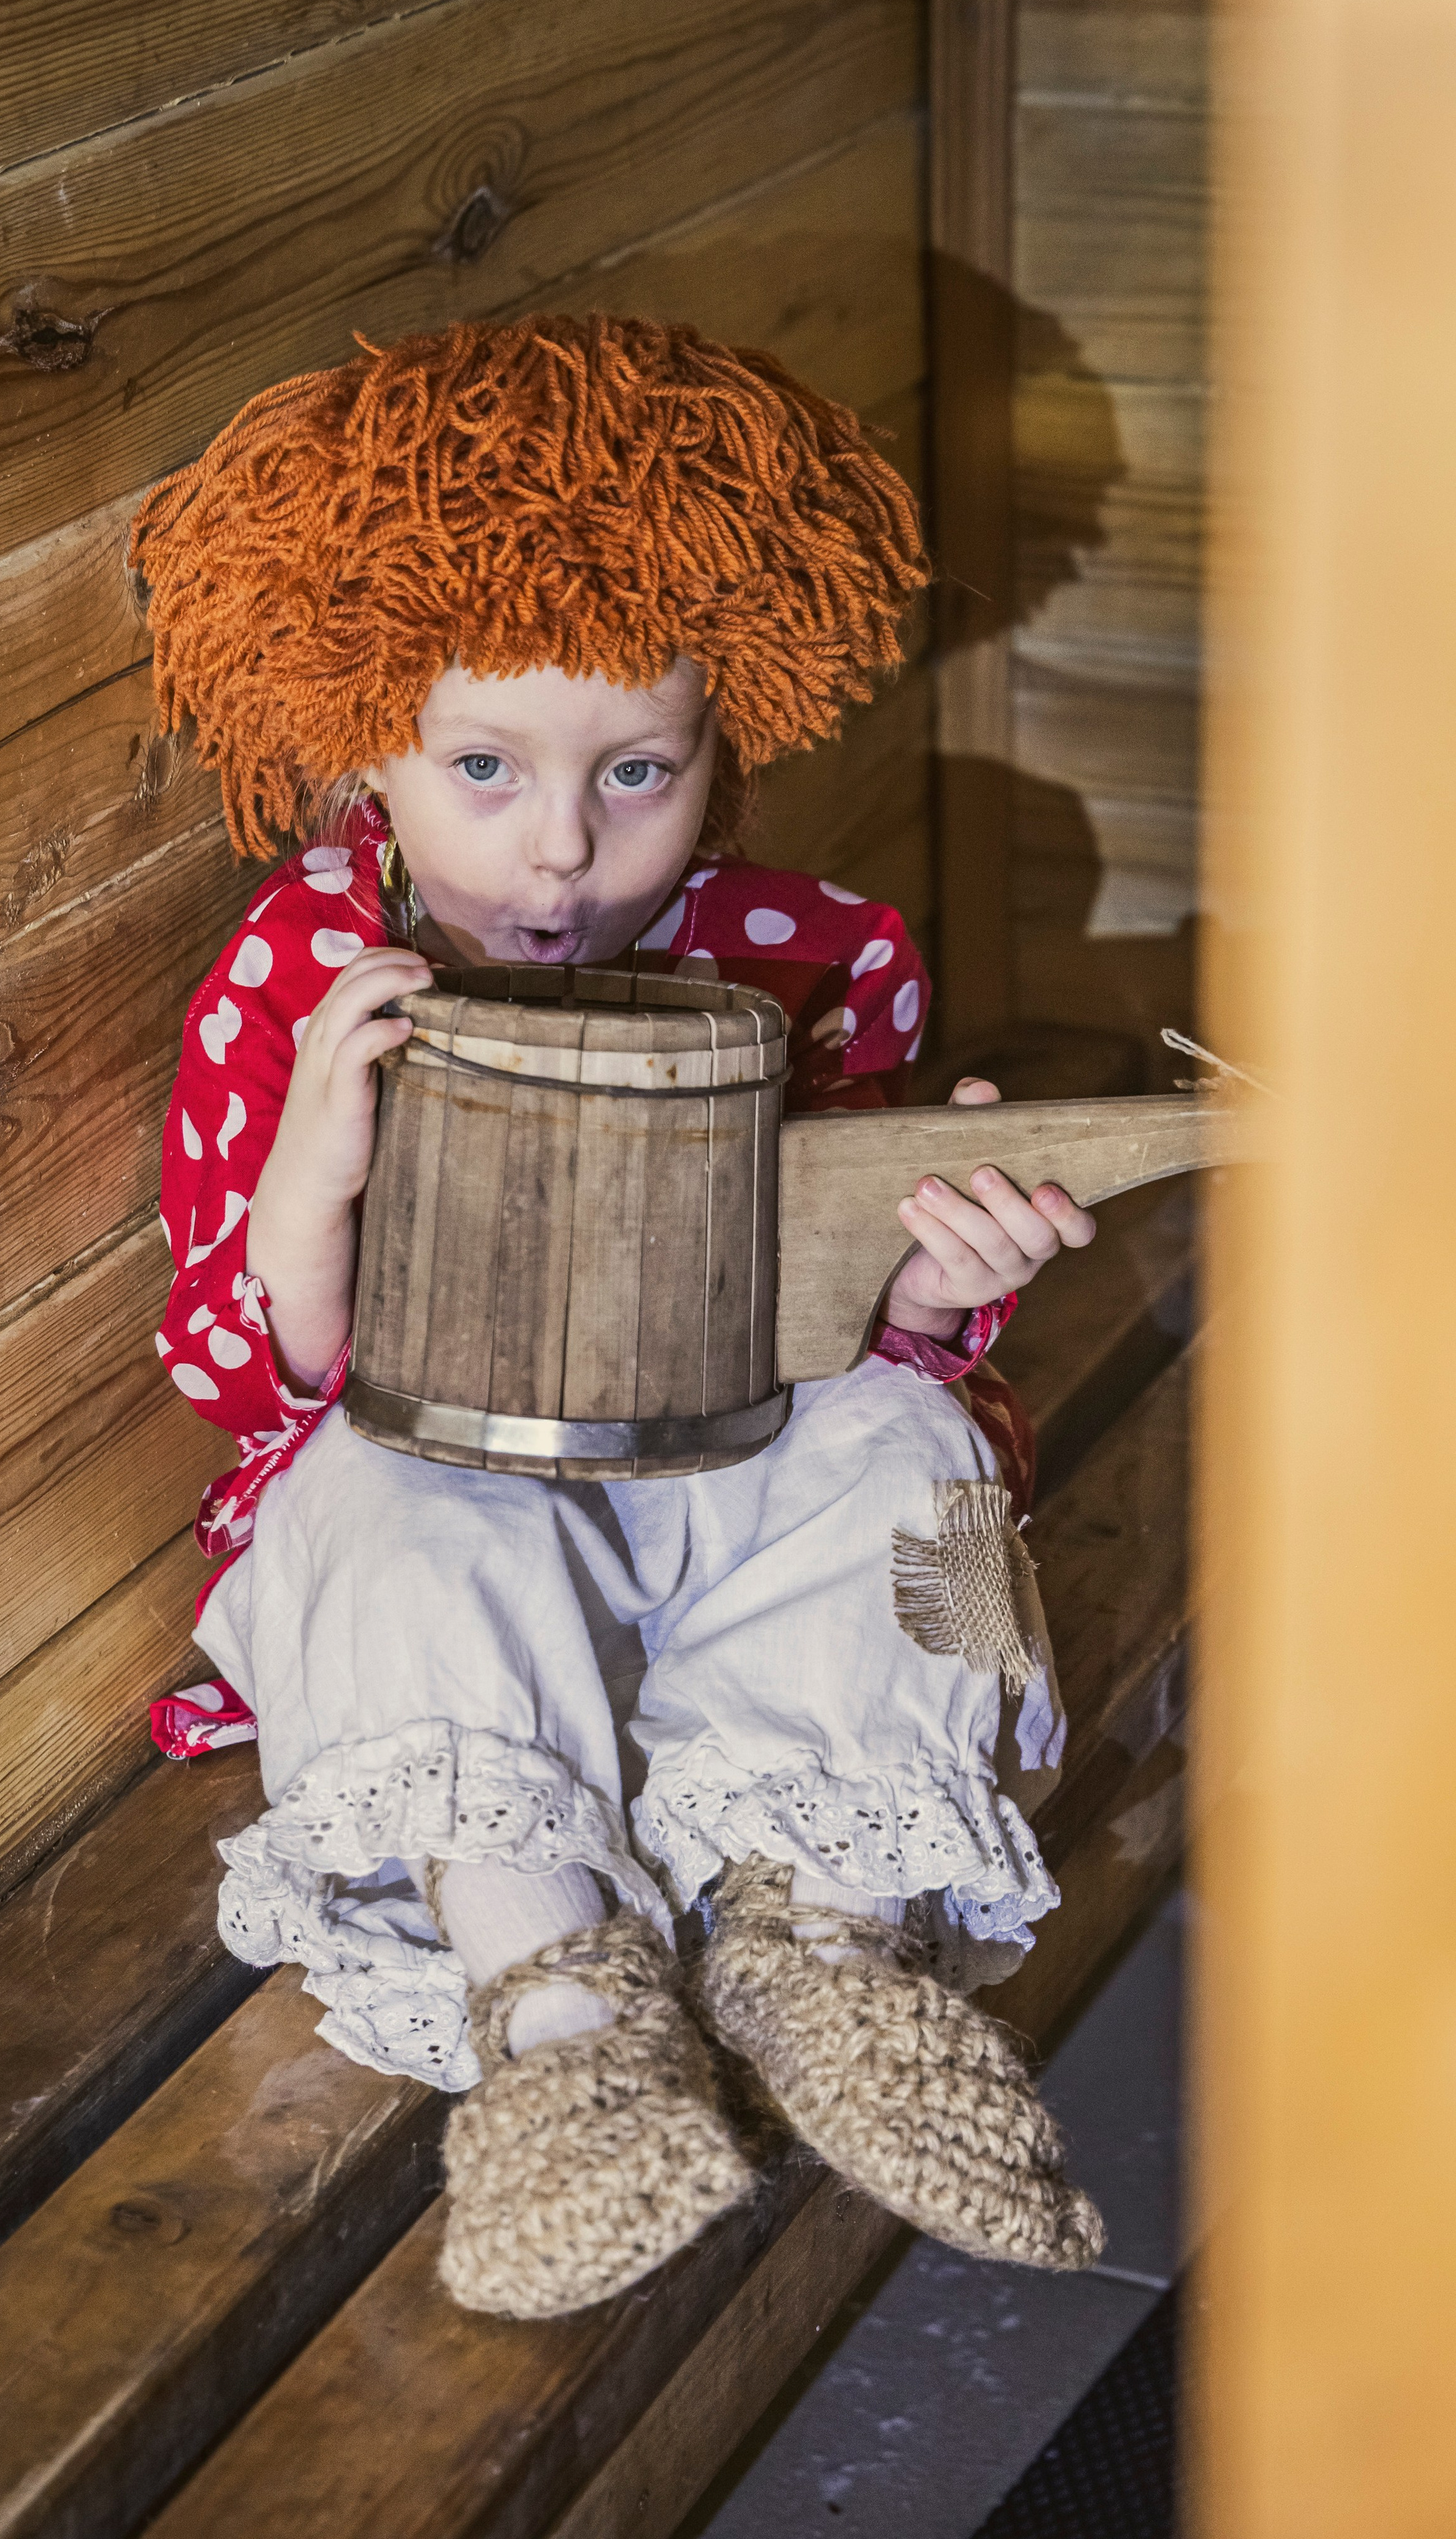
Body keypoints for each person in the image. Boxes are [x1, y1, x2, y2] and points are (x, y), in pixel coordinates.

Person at [133, 314, 1104, 2320]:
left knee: (912, 1458)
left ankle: (818, 1946)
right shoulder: (313, 966)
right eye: (482, 769)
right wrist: (319, 1151)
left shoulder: (814, 959)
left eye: (635, 773)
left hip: (730, 1467)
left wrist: (935, 1282)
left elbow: (859, 1338)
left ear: (719, 746)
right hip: (448, 1514)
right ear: (368, 746)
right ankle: (564, 2022)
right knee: (375, 1503)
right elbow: (260, 1381)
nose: (562, 846)